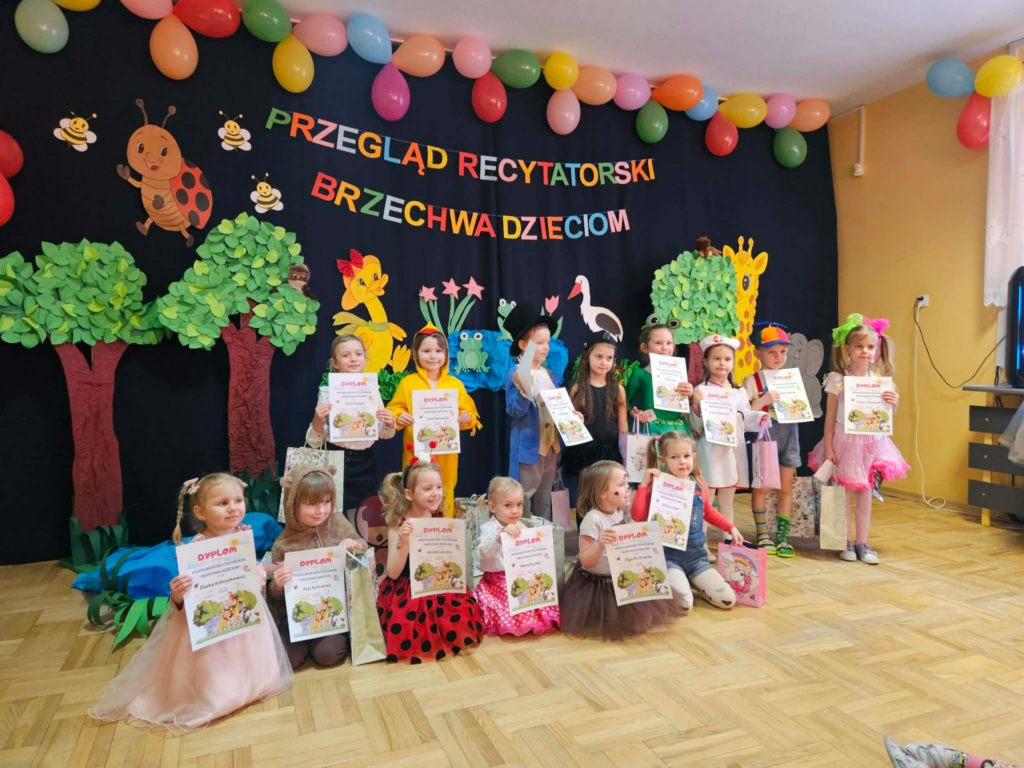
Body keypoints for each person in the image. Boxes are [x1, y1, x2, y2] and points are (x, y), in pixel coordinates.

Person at [90, 473, 292, 732]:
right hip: (213, 625)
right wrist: (177, 594)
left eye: (238, 500)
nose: (233, 508)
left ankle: (251, 685)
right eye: (222, 503)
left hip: (242, 613)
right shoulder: (197, 549)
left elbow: (247, 570)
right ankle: (218, 696)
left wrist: (263, 571)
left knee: (249, 655)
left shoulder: (243, 533)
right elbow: (192, 597)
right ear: (200, 512)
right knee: (215, 665)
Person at [808, 314, 909, 564]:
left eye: (870, 347)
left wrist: (894, 403)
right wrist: (829, 447)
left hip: (871, 443)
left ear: (877, 350)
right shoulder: (838, 379)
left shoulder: (880, 382)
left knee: (865, 492)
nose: (865, 351)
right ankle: (845, 541)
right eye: (859, 346)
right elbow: (830, 417)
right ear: (848, 349)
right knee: (842, 494)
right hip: (843, 441)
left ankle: (862, 542)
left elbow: (886, 415)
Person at [560, 460, 685, 640]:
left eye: (627, 483)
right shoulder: (593, 519)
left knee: (645, 619)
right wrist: (599, 544)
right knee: (630, 624)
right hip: (600, 585)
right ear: (603, 493)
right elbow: (586, 561)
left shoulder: (621, 511)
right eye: (621, 484)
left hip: (624, 577)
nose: (628, 488)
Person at [377, 456, 483, 662]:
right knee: (409, 626)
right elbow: (393, 573)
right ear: (409, 494)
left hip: (439, 582)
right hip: (407, 587)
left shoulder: (439, 519)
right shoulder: (398, 524)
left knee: (459, 617)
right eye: (427, 489)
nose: (435, 493)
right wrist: (404, 541)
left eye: (439, 487)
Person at [269, 464, 367, 669]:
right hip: (296, 615)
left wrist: (356, 545)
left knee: (327, 655)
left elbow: (362, 547)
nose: (321, 510)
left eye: (326, 501)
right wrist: (277, 586)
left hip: (332, 611)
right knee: (290, 659)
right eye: (311, 504)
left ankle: (328, 640)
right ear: (293, 503)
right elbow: (274, 595)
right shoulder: (283, 543)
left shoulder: (339, 523)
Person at [631, 432, 742, 610]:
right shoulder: (658, 484)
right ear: (663, 460)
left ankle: (692, 580)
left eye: (686, 456)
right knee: (684, 606)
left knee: (728, 600)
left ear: (694, 457)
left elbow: (708, 512)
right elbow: (638, 516)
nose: (682, 461)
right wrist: (644, 485)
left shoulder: (699, 483)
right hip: (669, 558)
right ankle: (681, 581)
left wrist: (731, 527)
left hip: (697, 558)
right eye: (674, 457)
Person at [387, 324, 482, 517]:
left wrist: (466, 417)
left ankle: (443, 532)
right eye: (426, 351)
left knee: (444, 489)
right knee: (416, 489)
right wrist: (399, 416)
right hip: (416, 451)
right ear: (416, 354)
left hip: (446, 453)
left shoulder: (455, 384)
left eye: (438, 351)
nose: (433, 356)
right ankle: (416, 530)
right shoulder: (408, 383)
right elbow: (394, 409)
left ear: (446, 354)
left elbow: (469, 412)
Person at [690, 334, 767, 559]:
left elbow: (744, 419)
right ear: (706, 362)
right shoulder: (700, 390)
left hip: (732, 451)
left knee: (727, 500)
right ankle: (701, 545)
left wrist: (759, 418)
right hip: (709, 450)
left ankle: (729, 541)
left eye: (727, 359)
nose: (722, 363)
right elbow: (695, 426)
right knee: (706, 500)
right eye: (716, 359)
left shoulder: (739, 391)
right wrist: (696, 405)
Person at [306, 335, 396, 518]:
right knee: (334, 512)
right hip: (335, 459)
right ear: (335, 363)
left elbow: (383, 433)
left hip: (365, 460)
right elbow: (314, 441)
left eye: (358, 354)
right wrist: (318, 420)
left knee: (362, 512)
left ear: (365, 359)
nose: (353, 359)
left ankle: (358, 538)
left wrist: (389, 423)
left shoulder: (372, 390)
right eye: (346, 355)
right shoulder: (327, 392)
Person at [741, 323, 801, 557]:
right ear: (758, 353)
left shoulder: (790, 378)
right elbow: (745, 413)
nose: (778, 357)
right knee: (762, 486)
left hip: (790, 433)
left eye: (783, 351)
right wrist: (763, 399)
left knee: (786, 487)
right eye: (771, 351)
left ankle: (782, 536)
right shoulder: (751, 380)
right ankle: (762, 533)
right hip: (765, 435)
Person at [474, 477, 561, 636]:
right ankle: (520, 622)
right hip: (497, 580)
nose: (515, 511)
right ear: (492, 507)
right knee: (513, 597)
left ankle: (536, 617)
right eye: (508, 505)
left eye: (519, 504)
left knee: (537, 591)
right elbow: (483, 553)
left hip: (521, 575)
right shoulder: (489, 529)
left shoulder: (521, 526)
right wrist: (498, 538)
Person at [503, 302, 563, 520]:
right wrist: (523, 391)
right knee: (525, 495)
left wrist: (571, 416)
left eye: (547, 342)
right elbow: (514, 411)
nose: (546, 347)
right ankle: (524, 537)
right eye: (539, 343)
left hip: (551, 446)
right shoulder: (515, 374)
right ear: (523, 344)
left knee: (544, 496)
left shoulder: (550, 375)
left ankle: (544, 537)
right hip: (529, 447)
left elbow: (558, 407)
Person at [563, 331, 629, 499]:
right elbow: (568, 423)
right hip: (583, 451)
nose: (604, 362)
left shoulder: (618, 390)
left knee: (606, 495)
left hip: (609, 451)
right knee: (585, 494)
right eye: (598, 357)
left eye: (609, 358)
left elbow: (623, 425)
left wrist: (626, 452)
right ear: (588, 357)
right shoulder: (577, 388)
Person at [625, 321, 694, 436]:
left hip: (677, 429)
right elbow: (625, 403)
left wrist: (690, 394)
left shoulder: (679, 374)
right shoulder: (639, 375)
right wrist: (635, 413)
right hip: (651, 428)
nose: (664, 347)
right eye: (658, 343)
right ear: (645, 347)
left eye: (668, 343)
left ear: (673, 347)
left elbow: (685, 403)